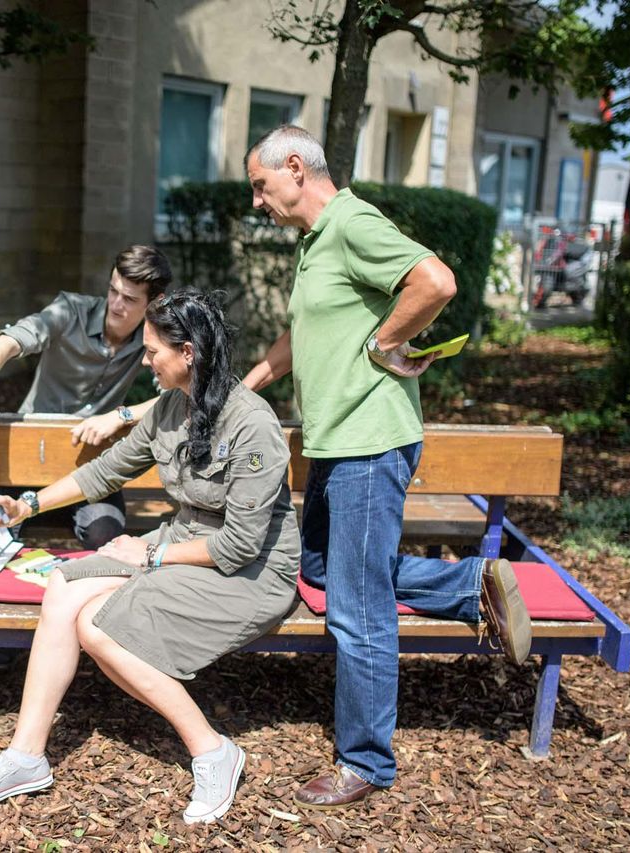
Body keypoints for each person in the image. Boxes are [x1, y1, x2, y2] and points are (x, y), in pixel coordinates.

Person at [241, 125, 533, 809]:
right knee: (318, 565)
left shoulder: (350, 223)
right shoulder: (316, 243)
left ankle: (365, 761)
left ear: (294, 168)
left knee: (358, 606)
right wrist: (248, 382)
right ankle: (471, 583)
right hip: (336, 442)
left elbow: (435, 280)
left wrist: (385, 338)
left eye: (260, 186)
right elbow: (303, 332)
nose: (258, 201)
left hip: (369, 445)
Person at [0, 289, 300, 824]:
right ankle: (26, 757)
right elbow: (105, 470)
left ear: (189, 354)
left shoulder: (252, 424)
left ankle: (213, 751)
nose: (144, 359)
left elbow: (240, 545)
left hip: (252, 572)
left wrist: (152, 557)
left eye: (153, 350)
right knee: (66, 585)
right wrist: (28, 504)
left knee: (99, 626)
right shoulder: (169, 407)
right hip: (181, 544)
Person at [0, 245, 173, 551]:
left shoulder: (153, 337)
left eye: (130, 299)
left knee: (104, 535)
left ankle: (60, 511)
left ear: (154, 302)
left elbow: (180, 395)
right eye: (113, 291)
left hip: (90, 463)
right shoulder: (70, 310)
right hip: (31, 452)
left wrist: (121, 415)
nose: (117, 304)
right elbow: (11, 341)